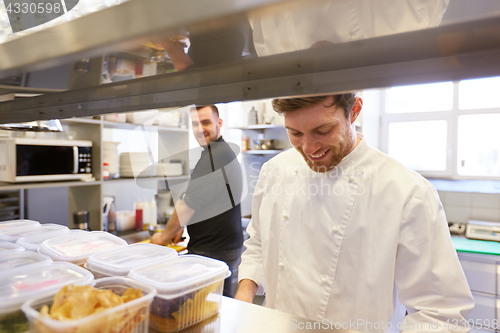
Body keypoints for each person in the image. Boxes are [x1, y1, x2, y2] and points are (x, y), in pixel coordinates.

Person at [235, 93, 474, 332]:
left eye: (323, 130)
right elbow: (258, 243)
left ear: (355, 111)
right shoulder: (274, 171)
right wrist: (243, 301)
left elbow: (439, 315)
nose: (308, 147)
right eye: (295, 133)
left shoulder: (406, 191)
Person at [151, 105, 244, 298]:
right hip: (222, 244)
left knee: (206, 308)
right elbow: (204, 200)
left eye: (206, 122)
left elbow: (187, 204)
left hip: (213, 248)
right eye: (195, 124)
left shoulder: (215, 157)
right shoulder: (218, 151)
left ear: (219, 123)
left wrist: (162, 237)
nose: (200, 129)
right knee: (215, 304)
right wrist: (179, 227)